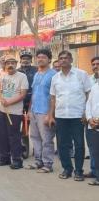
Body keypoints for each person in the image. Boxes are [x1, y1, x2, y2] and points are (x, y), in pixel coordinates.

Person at [48, 50, 91, 181]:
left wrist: (86, 113)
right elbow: (53, 98)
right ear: (58, 61)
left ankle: (78, 171)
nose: (63, 60)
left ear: (71, 60)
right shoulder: (55, 78)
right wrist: (51, 116)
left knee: (79, 144)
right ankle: (67, 169)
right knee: (62, 145)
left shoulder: (81, 74)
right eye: (61, 58)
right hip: (61, 116)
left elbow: (89, 94)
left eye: (66, 58)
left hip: (78, 116)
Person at [0, 55, 28, 169]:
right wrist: (1, 98)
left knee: (14, 136)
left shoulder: (22, 77)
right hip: (1, 110)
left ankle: (17, 160)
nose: (10, 65)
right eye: (8, 63)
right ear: (5, 65)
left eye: (12, 63)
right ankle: (4, 158)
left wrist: (9, 102)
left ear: (16, 64)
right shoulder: (2, 76)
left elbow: (23, 94)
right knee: (1, 135)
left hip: (14, 112)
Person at [26, 48, 56, 173]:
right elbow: (33, 94)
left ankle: (48, 164)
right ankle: (38, 161)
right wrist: (29, 110)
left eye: (43, 57)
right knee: (35, 137)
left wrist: (50, 115)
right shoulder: (37, 74)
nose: (40, 59)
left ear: (49, 59)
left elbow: (55, 97)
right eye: (38, 57)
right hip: (34, 110)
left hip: (45, 111)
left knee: (47, 139)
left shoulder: (54, 75)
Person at [85, 57, 99, 179]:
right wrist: (89, 118)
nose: (95, 66)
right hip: (91, 121)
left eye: (98, 64)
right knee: (93, 147)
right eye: (93, 64)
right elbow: (88, 102)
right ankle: (94, 171)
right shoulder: (90, 82)